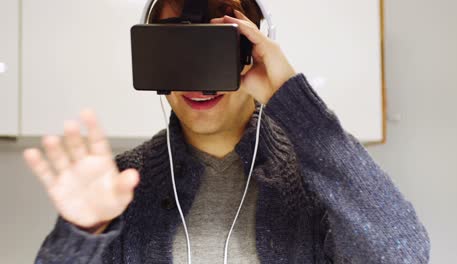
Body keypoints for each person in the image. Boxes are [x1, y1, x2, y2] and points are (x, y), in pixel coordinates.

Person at [23, 0, 430, 263]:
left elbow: (404, 256)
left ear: (253, 50)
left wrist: (293, 101)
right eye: (179, 51)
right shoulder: (122, 185)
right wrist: (79, 235)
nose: (199, 82)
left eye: (217, 48)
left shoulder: (319, 174)